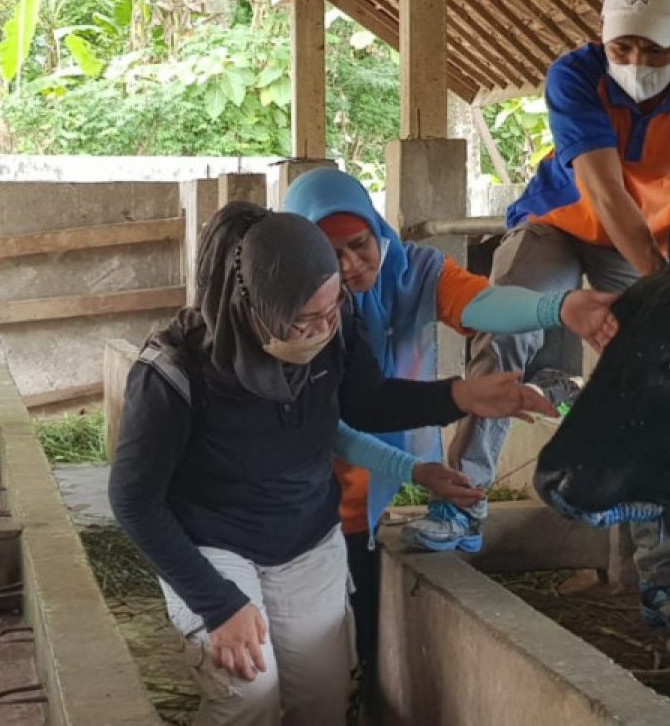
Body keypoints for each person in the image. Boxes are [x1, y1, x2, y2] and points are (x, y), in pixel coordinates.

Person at [402, 0, 670, 630]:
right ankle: (463, 502)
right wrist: (659, 284)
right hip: (560, 226)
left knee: (653, 376)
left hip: (641, 242)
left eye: (654, 49)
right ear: (602, 37)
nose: (635, 61)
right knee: (508, 329)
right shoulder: (575, 76)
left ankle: (663, 575)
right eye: (622, 46)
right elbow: (603, 193)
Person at [108, 201, 554, 725]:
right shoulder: (174, 372)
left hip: (304, 534)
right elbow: (134, 500)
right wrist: (217, 604)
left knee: (321, 698)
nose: (322, 330)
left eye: (331, 310)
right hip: (212, 542)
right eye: (305, 321)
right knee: (249, 694)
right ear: (255, 309)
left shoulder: (336, 325)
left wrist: (461, 395)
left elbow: (367, 401)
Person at [282, 167, 618, 678]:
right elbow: (341, 417)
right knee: (310, 627)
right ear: (304, 256)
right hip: (298, 487)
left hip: (370, 464)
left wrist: (558, 306)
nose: (351, 266)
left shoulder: (413, 270)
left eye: (358, 244)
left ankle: (358, 681)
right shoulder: (303, 308)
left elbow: (485, 304)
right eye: (331, 255)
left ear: (376, 228)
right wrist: (458, 403)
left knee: (354, 609)